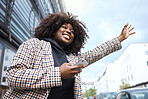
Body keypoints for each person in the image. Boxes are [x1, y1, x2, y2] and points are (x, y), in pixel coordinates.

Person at [3, 11, 135, 99]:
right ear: (53, 29)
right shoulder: (34, 45)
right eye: (64, 27)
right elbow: (13, 77)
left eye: (72, 31)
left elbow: (95, 54)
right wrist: (58, 73)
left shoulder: (72, 59)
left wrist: (120, 38)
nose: (68, 31)